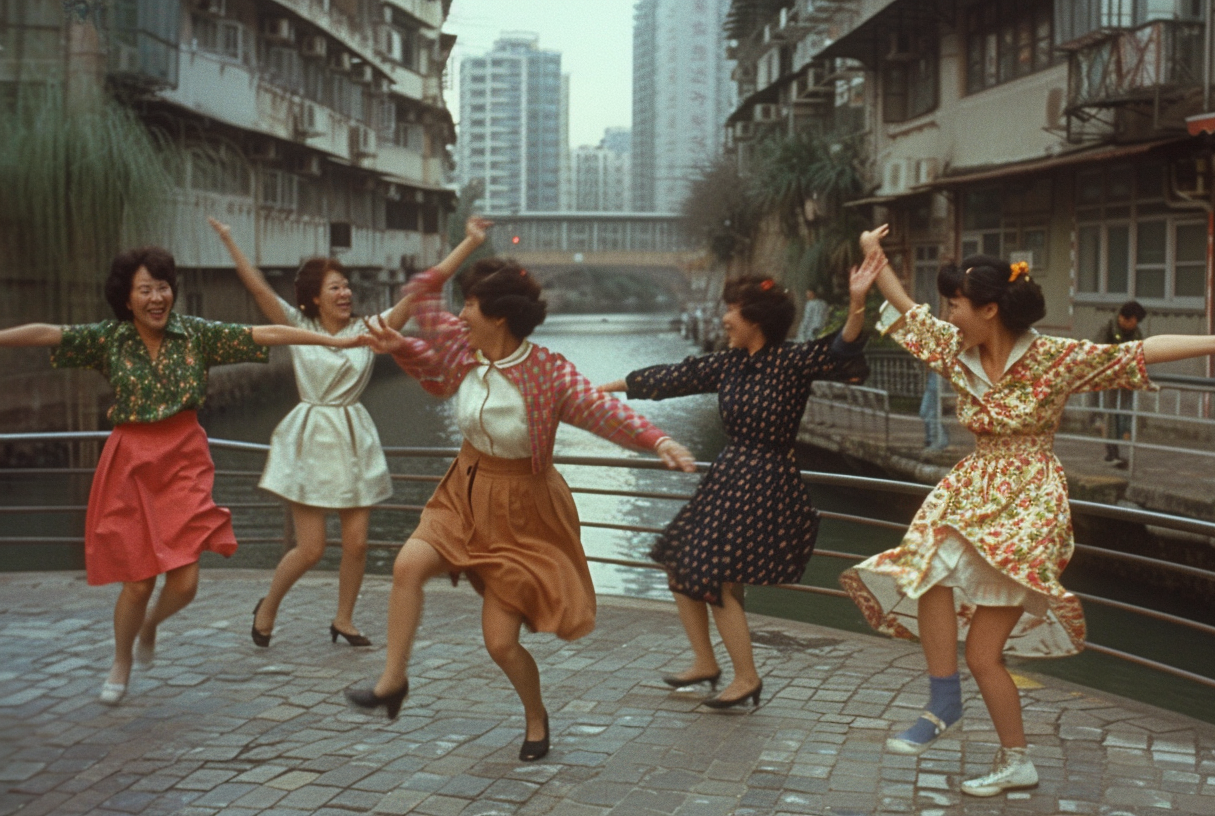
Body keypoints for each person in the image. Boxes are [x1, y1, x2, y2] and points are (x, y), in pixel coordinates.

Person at [840, 224, 1215, 797]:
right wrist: (876, 257)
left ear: (990, 309)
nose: (947, 315)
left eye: (957, 305)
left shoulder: (1053, 359)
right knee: (924, 570)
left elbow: (1138, 352)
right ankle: (949, 705)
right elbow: (905, 305)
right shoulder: (955, 349)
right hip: (972, 486)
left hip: (1028, 498)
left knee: (984, 654)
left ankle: (1007, 751)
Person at [344, 256, 695, 763]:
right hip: (463, 491)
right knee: (407, 565)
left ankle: (536, 715)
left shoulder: (548, 373)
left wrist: (656, 438)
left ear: (499, 316)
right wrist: (402, 339)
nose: (459, 314)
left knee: (500, 644)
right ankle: (391, 682)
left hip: (521, 512)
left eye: (468, 304)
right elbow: (432, 347)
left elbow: (603, 411)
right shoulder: (465, 351)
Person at [0, 246, 381, 705]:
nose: (157, 297)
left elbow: (266, 333)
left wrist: (332, 342)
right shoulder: (110, 339)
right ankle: (122, 658)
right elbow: (50, 333)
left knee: (184, 583)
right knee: (138, 581)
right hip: (131, 461)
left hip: (182, 459)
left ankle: (150, 626)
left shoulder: (196, 335)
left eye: (163, 287)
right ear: (127, 298)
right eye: (146, 289)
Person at [597, 264, 875, 709]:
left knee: (716, 579)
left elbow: (841, 349)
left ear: (755, 320)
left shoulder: (791, 362)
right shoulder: (729, 364)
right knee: (678, 562)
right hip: (729, 477)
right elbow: (674, 376)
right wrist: (602, 391)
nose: (723, 318)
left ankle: (746, 677)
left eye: (731, 310)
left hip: (767, 480)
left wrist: (858, 301)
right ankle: (706, 663)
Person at [207, 216, 487, 648]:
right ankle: (267, 608)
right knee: (311, 548)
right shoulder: (299, 329)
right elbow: (259, 288)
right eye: (335, 287)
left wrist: (468, 243)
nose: (345, 293)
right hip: (311, 435)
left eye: (347, 286)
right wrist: (229, 240)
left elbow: (420, 291)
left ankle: (344, 619)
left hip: (353, 434)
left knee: (357, 544)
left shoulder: (369, 328)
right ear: (314, 297)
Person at [1093, 301, 1146, 467]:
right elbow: (1099, 353)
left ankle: (1121, 450)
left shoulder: (1136, 333)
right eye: (1133, 321)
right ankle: (1111, 453)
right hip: (1109, 381)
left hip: (1126, 382)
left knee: (1125, 415)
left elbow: (1140, 354)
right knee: (1110, 415)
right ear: (1124, 318)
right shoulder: (1107, 329)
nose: (1134, 325)